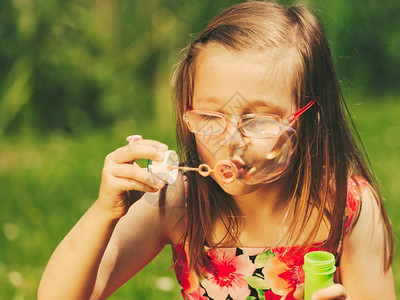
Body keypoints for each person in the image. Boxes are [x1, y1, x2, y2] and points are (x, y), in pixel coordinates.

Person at [38, 1, 395, 299]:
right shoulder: (178, 203)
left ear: (309, 117)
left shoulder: (346, 209)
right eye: (210, 117)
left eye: (258, 121)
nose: (231, 141)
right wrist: (103, 212)